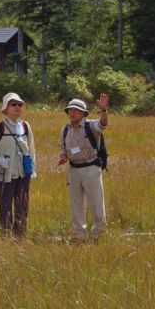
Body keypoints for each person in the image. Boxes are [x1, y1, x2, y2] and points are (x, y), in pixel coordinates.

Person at [57, 94, 110, 243]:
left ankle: (99, 235)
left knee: (96, 203)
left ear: (83, 113)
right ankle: (78, 236)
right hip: (74, 170)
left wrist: (103, 110)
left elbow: (103, 124)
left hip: (91, 168)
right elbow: (64, 149)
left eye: (76, 110)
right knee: (76, 205)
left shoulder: (91, 125)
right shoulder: (65, 130)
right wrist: (63, 157)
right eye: (70, 110)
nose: (72, 112)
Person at [0, 92, 36, 237]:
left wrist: (33, 168)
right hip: (6, 174)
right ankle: (5, 236)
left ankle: (20, 235)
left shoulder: (26, 126)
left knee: (22, 205)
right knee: (5, 206)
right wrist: (0, 160)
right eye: (13, 104)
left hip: (24, 172)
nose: (17, 107)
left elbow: (31, 148)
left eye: (20, 104)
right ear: (6, 108)